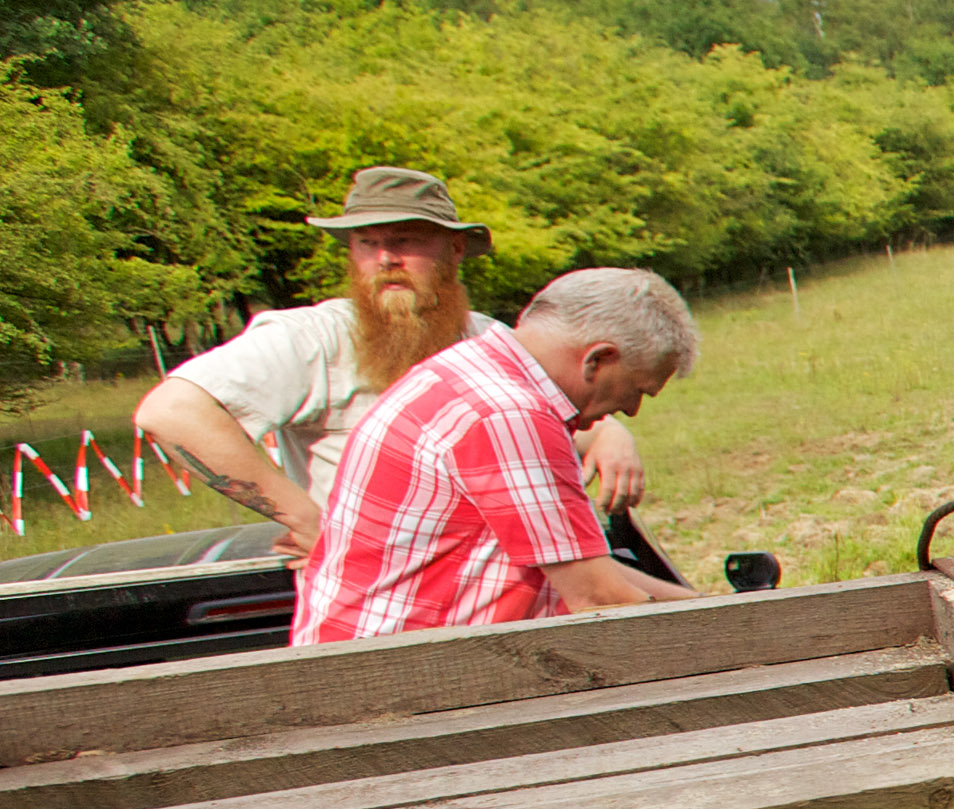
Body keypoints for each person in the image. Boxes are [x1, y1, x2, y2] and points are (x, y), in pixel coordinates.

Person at [137, 166, 646, 559]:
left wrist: (606, 435)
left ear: (454, 248)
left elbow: (540, 416)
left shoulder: (490, 338)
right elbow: (172, 412)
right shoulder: (314, 339)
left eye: (405, 240)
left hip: (495, 580)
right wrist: (308, 521)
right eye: (367, 243)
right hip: (375, 597)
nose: (385, 259)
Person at [293, 268, 700, 644]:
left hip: (378, 652)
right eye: (638, 390)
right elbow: (597, 597)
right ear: (598, 359)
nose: (631, 411)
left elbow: (580, 568)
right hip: (391, 676)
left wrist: (708, 606)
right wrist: (731, 628)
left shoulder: (475, 370)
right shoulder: (510, 413)